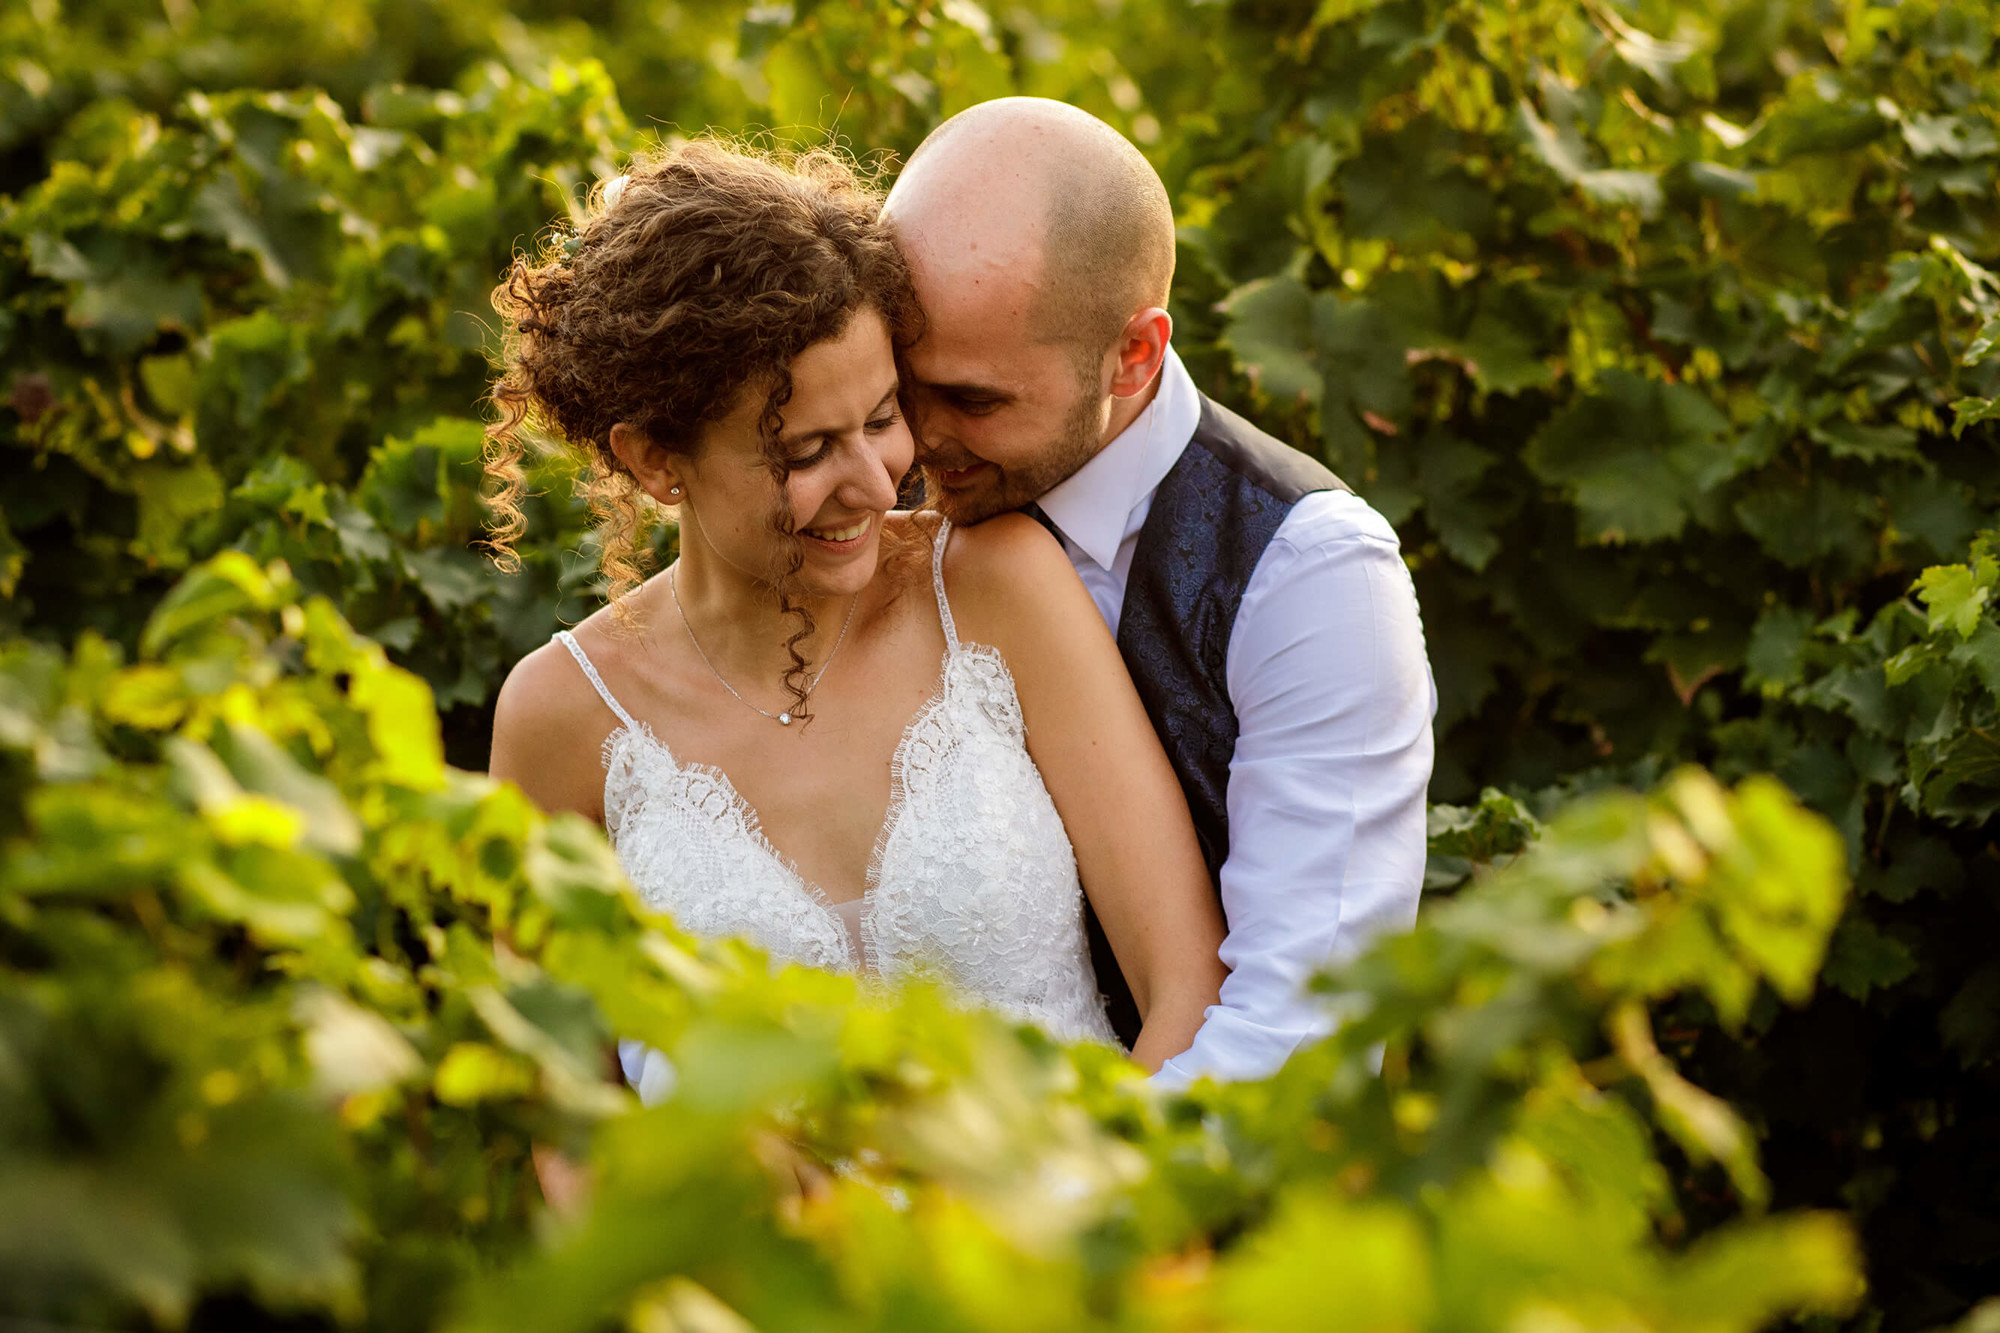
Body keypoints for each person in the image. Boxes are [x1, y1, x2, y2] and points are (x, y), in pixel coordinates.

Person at [483, 141, 1228, 1100]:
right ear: (656, 459)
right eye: (806, 450)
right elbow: (562, 1114)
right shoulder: (558, 720)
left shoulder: (1000, 590)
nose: (877, 484)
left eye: (882, 417)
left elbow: (1187, 986)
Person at [883, 98, 1436, 1089]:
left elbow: (1302, 1028)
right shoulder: (857, 500)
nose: (914, 439)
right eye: (900, 382)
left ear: (1132, 354)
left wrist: (1073, 1219)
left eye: (973, 398)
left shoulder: (1305, 575)